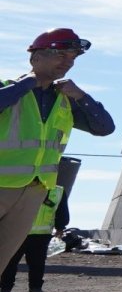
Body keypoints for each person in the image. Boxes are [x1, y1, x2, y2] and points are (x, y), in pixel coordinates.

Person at [0, 29, 113, 266]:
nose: (68, 63)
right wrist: (27, 84)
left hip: (34, 190)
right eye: (61, 56)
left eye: (72, 58)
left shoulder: (66, 101)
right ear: (36, 58)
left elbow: (104, 127)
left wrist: (81, 96)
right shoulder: (9, 89)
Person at [1, 181, 66, 292]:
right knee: (36, 264)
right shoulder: (57, 191)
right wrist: (60, 227)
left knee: (11, 262)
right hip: (39, 234)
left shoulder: (19, 187)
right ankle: (34, 289)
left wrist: (60, 226)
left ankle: (5, 290)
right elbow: (62, 212)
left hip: (20, 232)